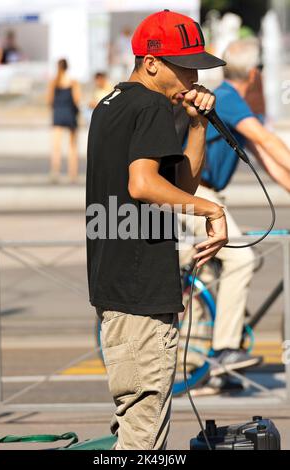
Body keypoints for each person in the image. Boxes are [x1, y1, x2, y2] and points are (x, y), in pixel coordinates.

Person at [86, 10, 228, 450]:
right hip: (140, 293)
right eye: (184, 64)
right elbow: (143, 185)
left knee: (134, 426)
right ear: (151, 62)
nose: (194, 74)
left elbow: (180, 184)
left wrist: (198, 123)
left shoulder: (112, 103)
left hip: (115, 287)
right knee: (143, 439)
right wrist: (212, 211)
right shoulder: (149, 106)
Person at [178, 38, 290, 379]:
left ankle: (208, 370)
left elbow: (266, 158)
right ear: (255, 73)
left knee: (213, 273)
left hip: (203, 194)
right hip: (195, 194)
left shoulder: (232, 102)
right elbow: (270, 141)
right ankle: (226, 349)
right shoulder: (227, 99)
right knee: (241, 257)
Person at [46, 58, 81, 183]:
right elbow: (77, 99)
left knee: (56, 146)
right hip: (70, 113)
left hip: (58, 113)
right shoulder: (73, 82)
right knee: (72, 146)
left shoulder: (53, 82)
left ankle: (55, 172)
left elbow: (49, 100)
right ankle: (73, 173)